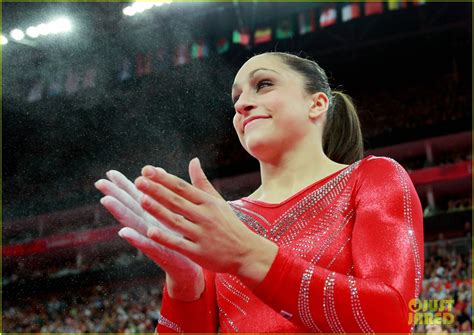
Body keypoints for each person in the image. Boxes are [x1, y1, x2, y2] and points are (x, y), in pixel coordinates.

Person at [95, 52, 424, 332]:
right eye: (236, 99)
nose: (242, 105)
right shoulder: (220, 221)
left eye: (263, 85)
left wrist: (248, 255)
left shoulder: (373, 177)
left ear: (317, 103)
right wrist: (184, 286)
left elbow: (396, 318)